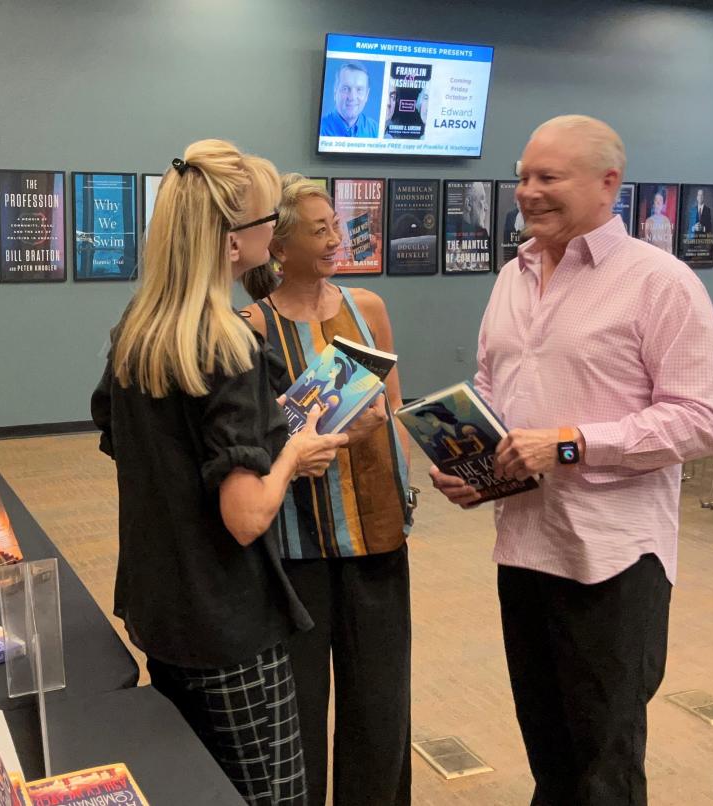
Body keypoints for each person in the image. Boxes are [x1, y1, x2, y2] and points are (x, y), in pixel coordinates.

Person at [430, 115, 713, 805]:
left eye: (548, 177)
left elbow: (702, 420)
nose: (527, 192)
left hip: (613, 562)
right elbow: (493, 387)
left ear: (608, 184)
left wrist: (568, 444)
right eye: (522, 176)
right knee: (551, 757)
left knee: (604, 767)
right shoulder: (512, 276)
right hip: (525, 549)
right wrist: (475, 466)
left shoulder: (661, 283)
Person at [91, 140, 349, 806]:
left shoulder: (137, 333)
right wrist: (293, 453)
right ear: (233, 243)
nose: (276, 231)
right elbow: (244, 516)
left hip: (160, 608)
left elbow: (134, 444)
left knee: (193, 785)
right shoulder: (228, 345)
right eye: (268, 221)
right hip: (227, 625)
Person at [240, 174, 414, 806]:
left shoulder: (367, 309)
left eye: (336, 225)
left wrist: (377, 419)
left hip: (376, 533)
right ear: (278, 248)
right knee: (299, 706)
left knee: (381, 703)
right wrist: (300, 433)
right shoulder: (251, 325)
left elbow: (392, 403)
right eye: (320, 230)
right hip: (298, 543)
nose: (337, 238)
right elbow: (252, 436)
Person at [319, 62, 378, 138]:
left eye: (359, 89)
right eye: (345, 89)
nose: (352, 97)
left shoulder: (375, 130)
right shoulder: (321, 129)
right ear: (335, 92)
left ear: (367, 95)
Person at [640, 185, 673, 253]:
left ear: (663, 204)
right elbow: (646, 242)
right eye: (656, 200)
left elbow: (669, 243)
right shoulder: (648, 221)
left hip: (664, 256)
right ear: (653, 203)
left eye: (660, 200)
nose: (658, 203)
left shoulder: (666, 221)